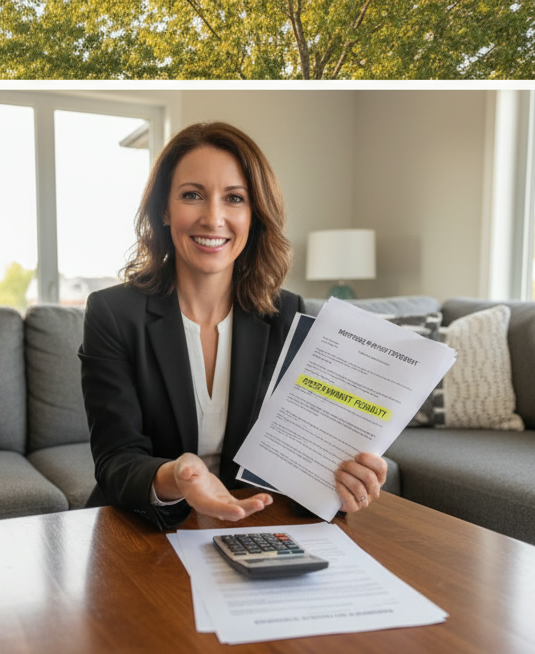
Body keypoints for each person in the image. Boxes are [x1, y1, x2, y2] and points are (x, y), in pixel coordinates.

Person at [78, 121, 385, 528]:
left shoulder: (288, 315)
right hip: (143, 530)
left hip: (252, 525)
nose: (214, 218)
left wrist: (341, 480)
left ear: (254, 215)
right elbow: (116, 459)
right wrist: (175, 477)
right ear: (165, 210)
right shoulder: (113, 313)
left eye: (234, 198)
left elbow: (300, 455)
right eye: (192, 195)